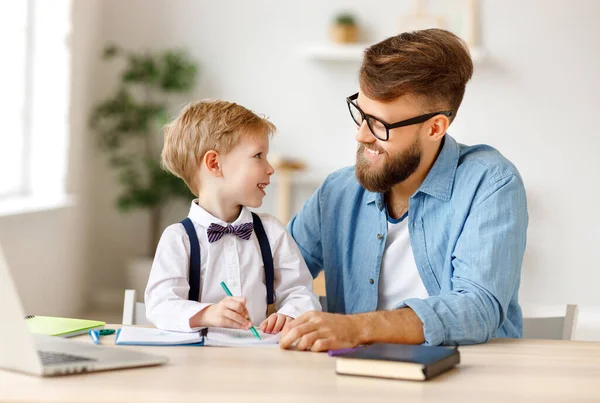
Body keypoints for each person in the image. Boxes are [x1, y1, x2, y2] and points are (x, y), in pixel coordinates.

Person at [279, 29, 528, 351]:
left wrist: (356, 328)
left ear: (435, 127)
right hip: (354, 377)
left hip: (468, 376)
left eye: (380, 125)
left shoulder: (490, 184)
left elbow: (477, 308)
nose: (361, 135)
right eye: (361, 114)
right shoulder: (337, 191)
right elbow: (275, 274)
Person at [145, 100, 321, 335]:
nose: (270, 168)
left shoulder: (271, 231)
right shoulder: (178, 239)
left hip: (258, 357)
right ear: (215, 163)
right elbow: (160, 304)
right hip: (197, 360)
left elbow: (301, 291)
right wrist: (207, 314)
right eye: (258, 156)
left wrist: (289, 314)